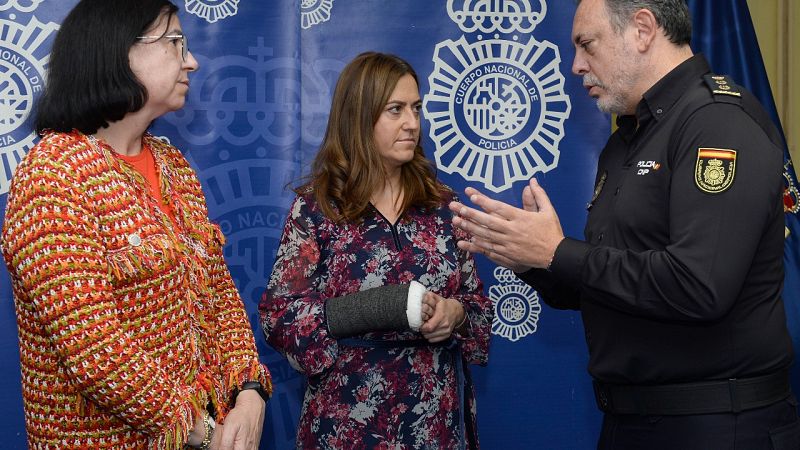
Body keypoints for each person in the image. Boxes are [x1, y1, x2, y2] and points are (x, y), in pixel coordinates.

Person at [449, 0, 800, 448]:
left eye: (586, 45)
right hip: (630, 423)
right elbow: (608, 284)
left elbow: (699, 286)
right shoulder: (625, 142)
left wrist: (557, 252)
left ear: (642, 28)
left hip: (715, 425)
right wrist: (527, 255)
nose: (575, 66)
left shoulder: (717, 123)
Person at [0, 0, 272, 448]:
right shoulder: (53, 176)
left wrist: (249, 392)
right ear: (120, 52)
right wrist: (205, 433)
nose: (192, 60)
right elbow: (95, 348)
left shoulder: (173, 166)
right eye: (175, 42)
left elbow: (219, 295)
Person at [259, 51, 493, 449]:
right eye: (395, 110)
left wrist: (455, 314)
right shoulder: (318, 207)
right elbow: (280, 319)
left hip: (434, 422)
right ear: (360, 117)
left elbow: (478, 310)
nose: (412, 124)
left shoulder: (441, 205)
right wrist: (368, 309)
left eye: (416, 108)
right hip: (346, 423)